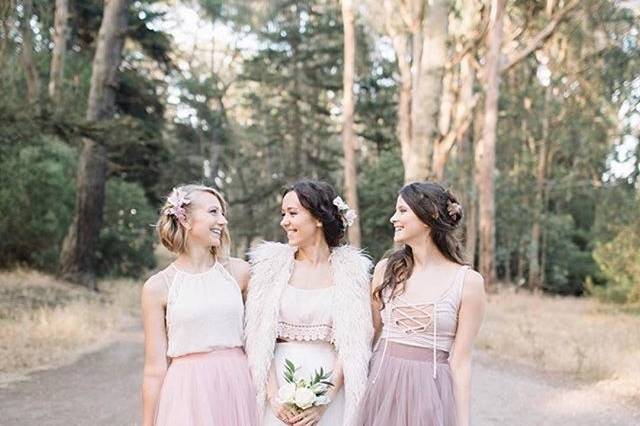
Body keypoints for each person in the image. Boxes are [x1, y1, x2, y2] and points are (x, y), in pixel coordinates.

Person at [245, 179, 373, 426]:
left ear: (318, 218)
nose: (284, 221)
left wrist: (325, 399)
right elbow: (258, 337)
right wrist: (273, 397)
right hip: (278, 390)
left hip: (331, 389)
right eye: (283, 214)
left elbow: (355, 343)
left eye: (292, 213)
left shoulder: (352, 272)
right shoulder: (270, 268)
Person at [357, 182, 486, 426]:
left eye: (403, 211)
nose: (394, 218)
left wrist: (463, 422)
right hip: (381, 386)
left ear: (429, 217)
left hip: (432, 393)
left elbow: (460, 361)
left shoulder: (468, 282)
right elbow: (368, 335)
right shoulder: (385, 272)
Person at [141, 184, 258, 426]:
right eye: (214, 212)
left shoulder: (240, 272)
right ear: (185, 219)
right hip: (186, 391)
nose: (223, 221)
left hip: (236, 385)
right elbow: (154, 369)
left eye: (223, 213)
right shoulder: (158, 287)